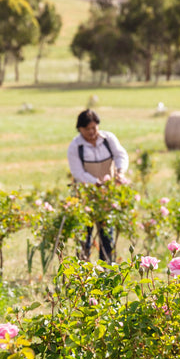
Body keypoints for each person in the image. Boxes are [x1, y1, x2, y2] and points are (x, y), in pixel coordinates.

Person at [67, 109, 129, 262]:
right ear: (80, 129)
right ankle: (84, 271)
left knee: (107, 236)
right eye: (87, 129)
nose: (91, 132)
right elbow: (78, 173)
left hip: (106, 196)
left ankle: (106, 270)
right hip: (85, 196)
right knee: (84, 237)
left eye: (93, 128)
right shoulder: (75, 147)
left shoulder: (108, 139)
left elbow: (121, 155)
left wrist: (120, 172)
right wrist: (96, 182)